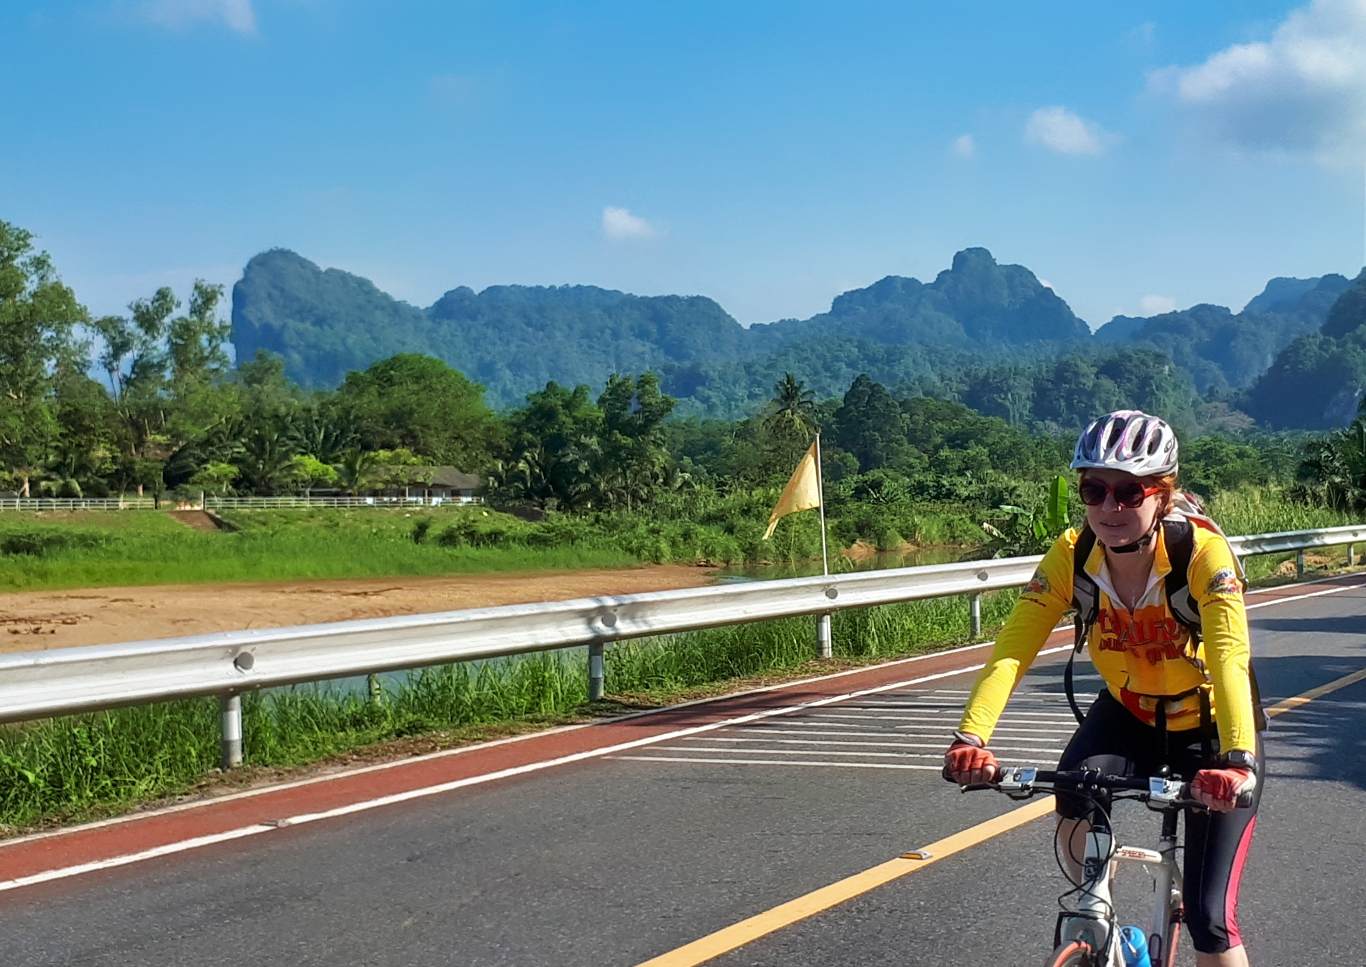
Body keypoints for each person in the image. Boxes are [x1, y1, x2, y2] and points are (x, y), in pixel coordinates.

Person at [943, 410, 1263, 967]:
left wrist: (1237, 761)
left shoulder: (1202, 556)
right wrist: (970, 736)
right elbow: (1014, 651)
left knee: (1212, 920)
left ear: (1161, 495)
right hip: (1128, 712)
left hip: (1212, 732)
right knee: (1071, 796)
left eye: (1128, 492)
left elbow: (1231, 657)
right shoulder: (1072, 554)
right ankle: (1105, 923)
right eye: (1094, 490)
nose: (1109, 509)